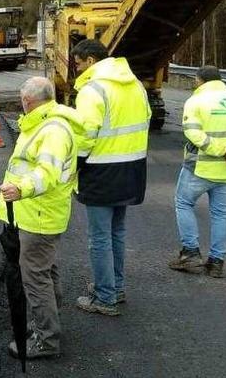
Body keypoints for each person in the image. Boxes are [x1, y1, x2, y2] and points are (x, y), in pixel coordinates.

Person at [0, 77, 85, 359]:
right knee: (45, 272)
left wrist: (20, 189)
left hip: (39, 214)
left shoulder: (53, 131)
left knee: (35, 277)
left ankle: (46, 339)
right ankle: (49, 323)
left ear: (28, 101)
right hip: (36, 213)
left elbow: (46, 173)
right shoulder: (44, 123)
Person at [70, 39, 151, 317]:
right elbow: (147, 119)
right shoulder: (136, 85)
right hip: (133, 169)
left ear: (90, 61)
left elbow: (85, 134)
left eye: (78, 64)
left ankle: (105, 298)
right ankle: (115, 287)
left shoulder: (93, 89)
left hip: (102, 172)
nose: (77, 70)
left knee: (99, 238)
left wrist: (73, 168)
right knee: (117, 232)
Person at [168, 66, 226, 277]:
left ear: (199, 81)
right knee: (220, 213)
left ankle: (190, 253)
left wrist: (220, 150)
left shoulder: (196, 101)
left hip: (199, 168)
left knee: (184, 203)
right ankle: (216, 262)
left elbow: (192, 132)